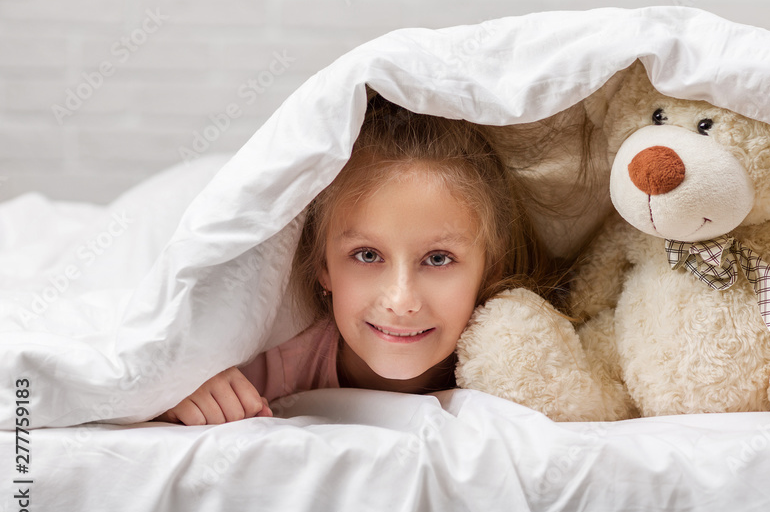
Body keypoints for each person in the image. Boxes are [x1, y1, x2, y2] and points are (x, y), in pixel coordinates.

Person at [155, 93, 566, 425]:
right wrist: (183, 391)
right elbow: (150, 377)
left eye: (438, 259)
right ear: (323, 266)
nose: (401, 300)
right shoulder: (275, 364)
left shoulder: (514, 363)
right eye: (367, 255)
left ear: (488, 269)